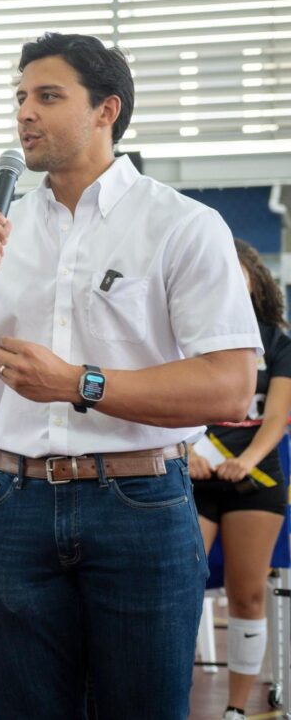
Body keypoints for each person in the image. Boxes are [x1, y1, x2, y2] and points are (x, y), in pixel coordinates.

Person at [0, 32, 260, 719]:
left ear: (107, 109)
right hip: (12, 507)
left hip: (139, 503)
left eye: (48, 96)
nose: (25, 112)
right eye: (20, 96)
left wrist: (80, 382)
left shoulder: (182, 226)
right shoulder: (1, 232)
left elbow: (230, 386)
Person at [188, 239, 291, 720]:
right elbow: (166, 403)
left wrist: (247, 460)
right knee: (178, 588)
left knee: (247, 592)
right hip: (192, 477)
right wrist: (186, 452)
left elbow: (276, 419)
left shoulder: (277, 341)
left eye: (236, 269)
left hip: (255, 480)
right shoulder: (188, 331)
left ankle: (235, 710)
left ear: (253, 277)